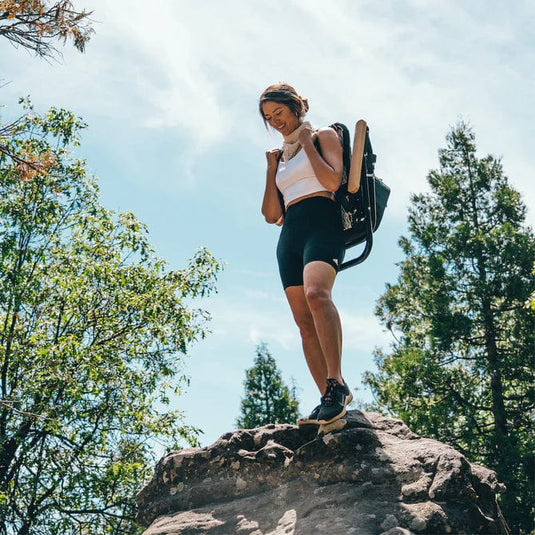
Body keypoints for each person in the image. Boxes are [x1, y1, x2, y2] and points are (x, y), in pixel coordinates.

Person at [259, 82, 353, 426]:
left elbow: (331, 181)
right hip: (291, 233)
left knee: (317, 294)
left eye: (279, 113)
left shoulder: (324, 136)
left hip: (322, 221)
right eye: (269, 118)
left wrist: (307, 143)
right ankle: (328, 401)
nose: (276, 122)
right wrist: (272, 169)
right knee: (302, 321)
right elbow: (272, 215)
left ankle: (336, 382)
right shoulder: (280, 156)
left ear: (295, 106)